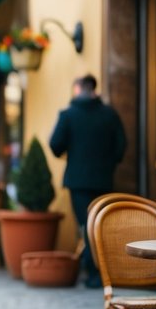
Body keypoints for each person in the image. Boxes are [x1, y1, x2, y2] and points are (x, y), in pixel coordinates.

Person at [49, 74, 126, 288]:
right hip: (103, 179)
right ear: (94, 89)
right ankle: (104, 271)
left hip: (78, 181)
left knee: (86, 226)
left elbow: (55, 145)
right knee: (101, 225)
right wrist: (109, 163)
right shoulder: (110, 114)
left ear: (78, 89)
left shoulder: (68, 114)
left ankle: (94, 273)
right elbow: (121, 145)